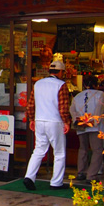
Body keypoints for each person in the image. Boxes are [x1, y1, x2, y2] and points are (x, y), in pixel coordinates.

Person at [23, 60, 71, 190]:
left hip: (39, 120)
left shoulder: (38, 84)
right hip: (55, 122)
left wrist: (32, 119)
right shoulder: (61, 85)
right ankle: (56, 182)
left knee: (38, 150)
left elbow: (31, 104)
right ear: (61, 72)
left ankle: (29, 176)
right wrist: (67, 121)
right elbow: (63, 107)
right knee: (59, 152)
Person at [70, 75, 104, 181]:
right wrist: (93, 121)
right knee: (97, 150)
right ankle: (91, 175)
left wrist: (77, 120)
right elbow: (99, 109)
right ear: (95, 84)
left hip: (81, 125)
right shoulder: (100, 94)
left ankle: (81, 172)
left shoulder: (77, 96)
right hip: (95, 127)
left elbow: (72, 110)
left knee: (83, 149)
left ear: (84, 85)